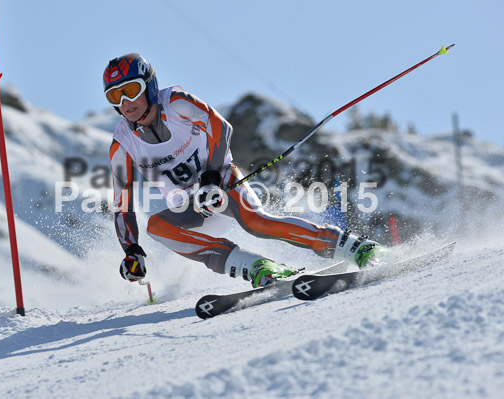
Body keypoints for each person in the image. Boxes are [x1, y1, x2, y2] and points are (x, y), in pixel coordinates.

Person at [105, 53, 379, 288]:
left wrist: (211, 179)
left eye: (131, 89)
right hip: (190, 207)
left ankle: (350, 246)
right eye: (116, 96)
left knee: (256, 223)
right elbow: (122, 202)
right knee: (157, 226)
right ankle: (255, 266)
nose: (126, 102)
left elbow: (220, 126)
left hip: (222, 181)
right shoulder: (122, 144)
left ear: (149, 86)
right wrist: (131, 250)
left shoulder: (175, 102)